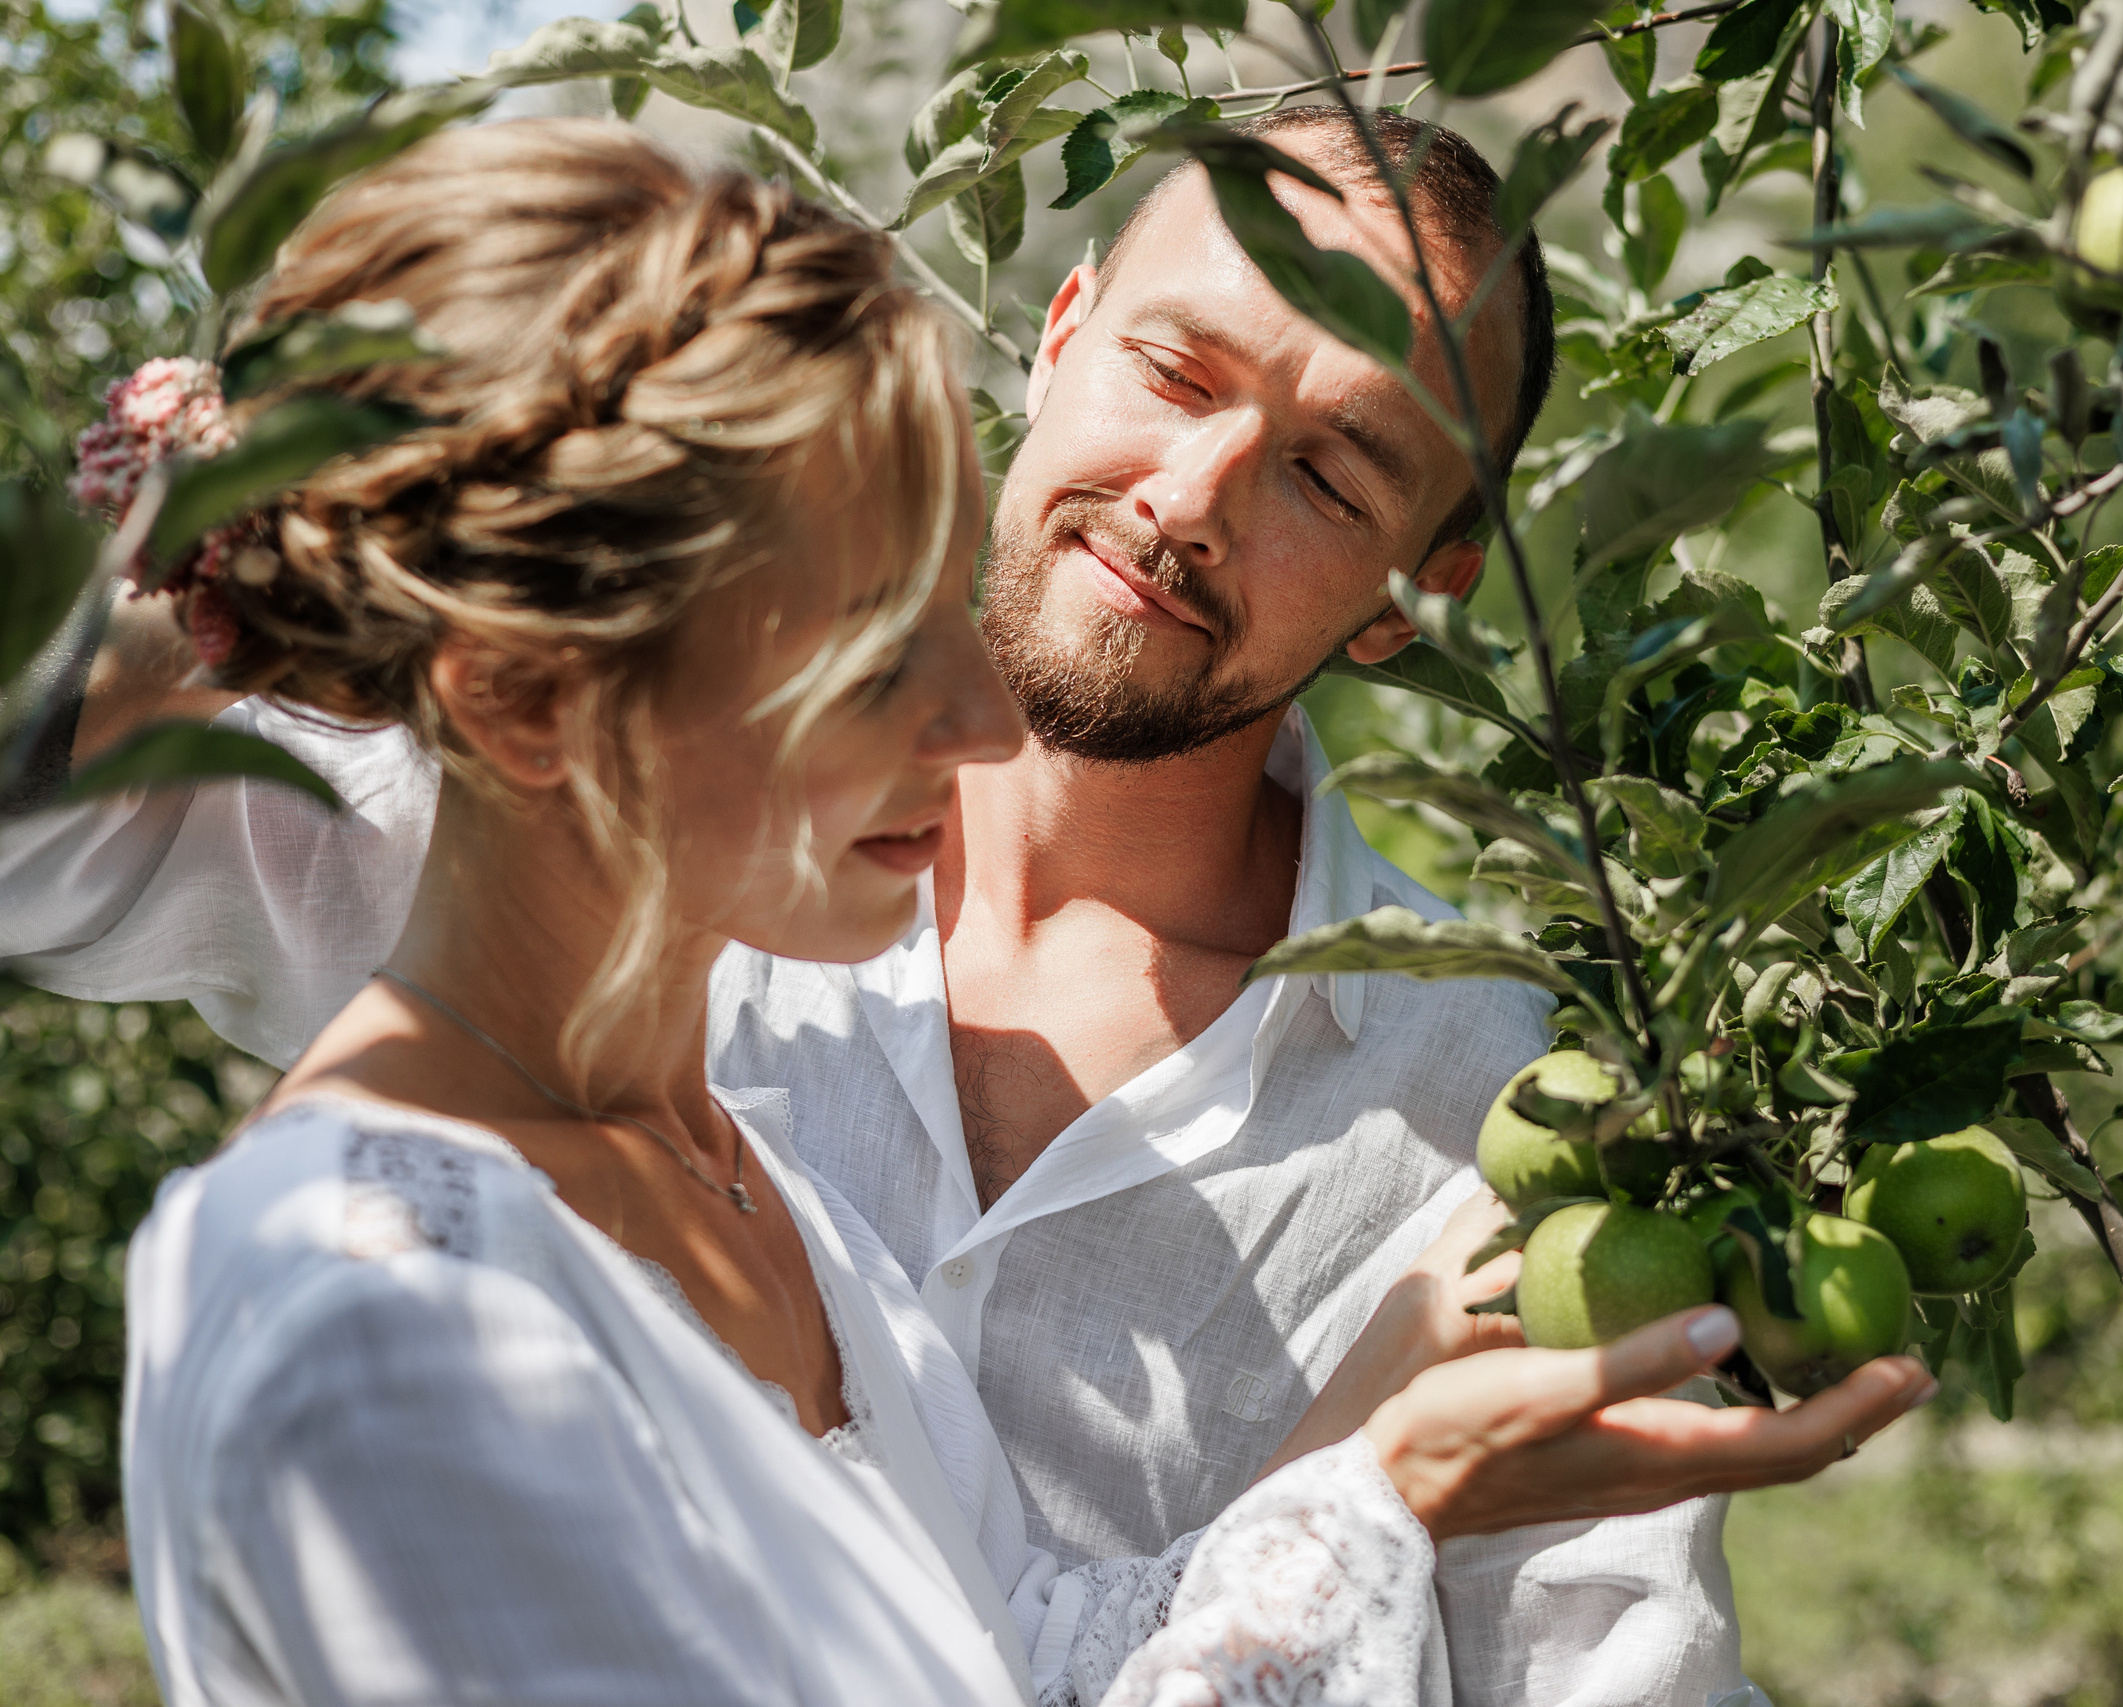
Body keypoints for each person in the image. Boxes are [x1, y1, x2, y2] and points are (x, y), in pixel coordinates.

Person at [46, 119, 1934, 1706]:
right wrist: (235, 551)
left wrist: (1376, 1456)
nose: (1188, 498)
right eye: (1177, 375)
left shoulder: (778, 1209)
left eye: (1326, 471)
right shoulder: (374, 1288)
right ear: (1063, 331)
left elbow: (1009, 1649)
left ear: (1413, 592)